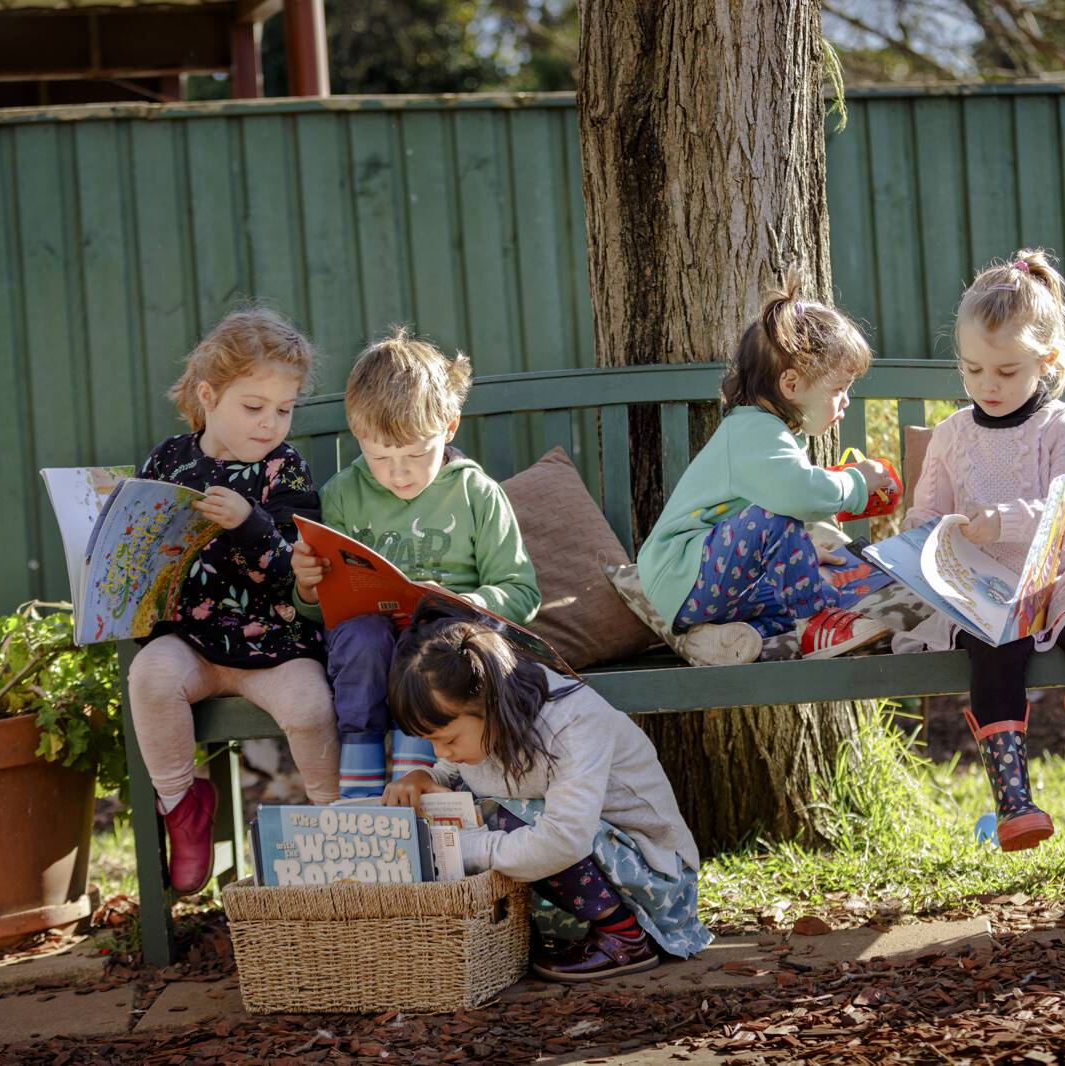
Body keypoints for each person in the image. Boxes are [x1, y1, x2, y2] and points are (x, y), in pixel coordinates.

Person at [901, 249, 1065, 851]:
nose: (986, 386)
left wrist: (1002, 520)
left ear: (1046, 361)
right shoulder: (951, 437)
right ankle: (1015, 803)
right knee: (994, 645)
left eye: (1005, 372)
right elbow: (923, 517)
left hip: (1064, 576)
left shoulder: (1062, 428)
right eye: (972, 371)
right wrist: (928, 535)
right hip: (988, 589)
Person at [383, 600, 711, 982]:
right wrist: (429, 778)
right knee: (492, 813)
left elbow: (565, 839)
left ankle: (625, 937)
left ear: (489, 701)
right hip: (593, 869)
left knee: (507, 818)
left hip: (654, 882)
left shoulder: (572, 723)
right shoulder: (492, 720)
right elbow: (456, 770)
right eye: (432, 743)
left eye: (449, 739)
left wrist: (470, 848)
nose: (443, 752)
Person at [127, 307, 340, 894]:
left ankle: (336, 819)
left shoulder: (284, 470)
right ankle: (183, 807)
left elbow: (293, 575)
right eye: (253, 407)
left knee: (310, 706)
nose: (269, 423)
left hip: (273, 641)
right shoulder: (168, 461)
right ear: (207, 395)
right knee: (149, 676)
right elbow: (146, 551)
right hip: (190, 640)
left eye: (284, 409)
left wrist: (249, 523)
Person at [291, 327, 539, 800]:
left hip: (447, 650)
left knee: (427, 636)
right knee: (361, 638)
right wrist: (307, 588)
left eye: (414, 455)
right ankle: (360, 794)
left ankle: (417, 777)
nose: (398, 472)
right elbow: (320, 614)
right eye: (379, 456)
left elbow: (521, 592)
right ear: (358, 436)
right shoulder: (344, 494)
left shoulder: (476, 494)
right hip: (368, 649)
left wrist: (464, 602)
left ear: (448, 428)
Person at [636, 279, 897, 664]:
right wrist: (857, 482)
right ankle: (817, 625)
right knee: (778, 518)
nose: (845, 402)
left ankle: (713, 640)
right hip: (684, 572)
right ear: (790, 384)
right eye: (840, 389)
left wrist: (801, 556)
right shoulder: (753, 432)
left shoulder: (769, 431)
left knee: (807, 590)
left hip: (708, 583)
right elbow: (798, 496)